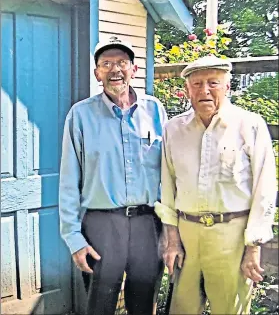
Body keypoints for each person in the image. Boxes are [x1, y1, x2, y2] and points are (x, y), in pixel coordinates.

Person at [155, 55, 277, 315]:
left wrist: (253, 247)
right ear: (187, 90)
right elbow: (167, 185)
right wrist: (172, 239)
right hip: (187, 236)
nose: (204, 90)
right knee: (182, 309)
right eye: (197, 84)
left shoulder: (250, 125)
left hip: (231, 236)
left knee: (229, 309)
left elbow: (265, 190)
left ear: (227, 87)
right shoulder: (173, 129)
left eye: (213, 83)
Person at [59, 36, 167, 315]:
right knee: (100, 305)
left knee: (144, 304)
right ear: (97, 73)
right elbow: (69, 181)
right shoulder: (80, 115)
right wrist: (74, 239)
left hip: (148, 224)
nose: (115, 69)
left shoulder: (154, 110)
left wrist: (171, 229)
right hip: (100, 225)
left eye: (122, 62)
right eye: (106, 63)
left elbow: (169, 173)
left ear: (134, 69)